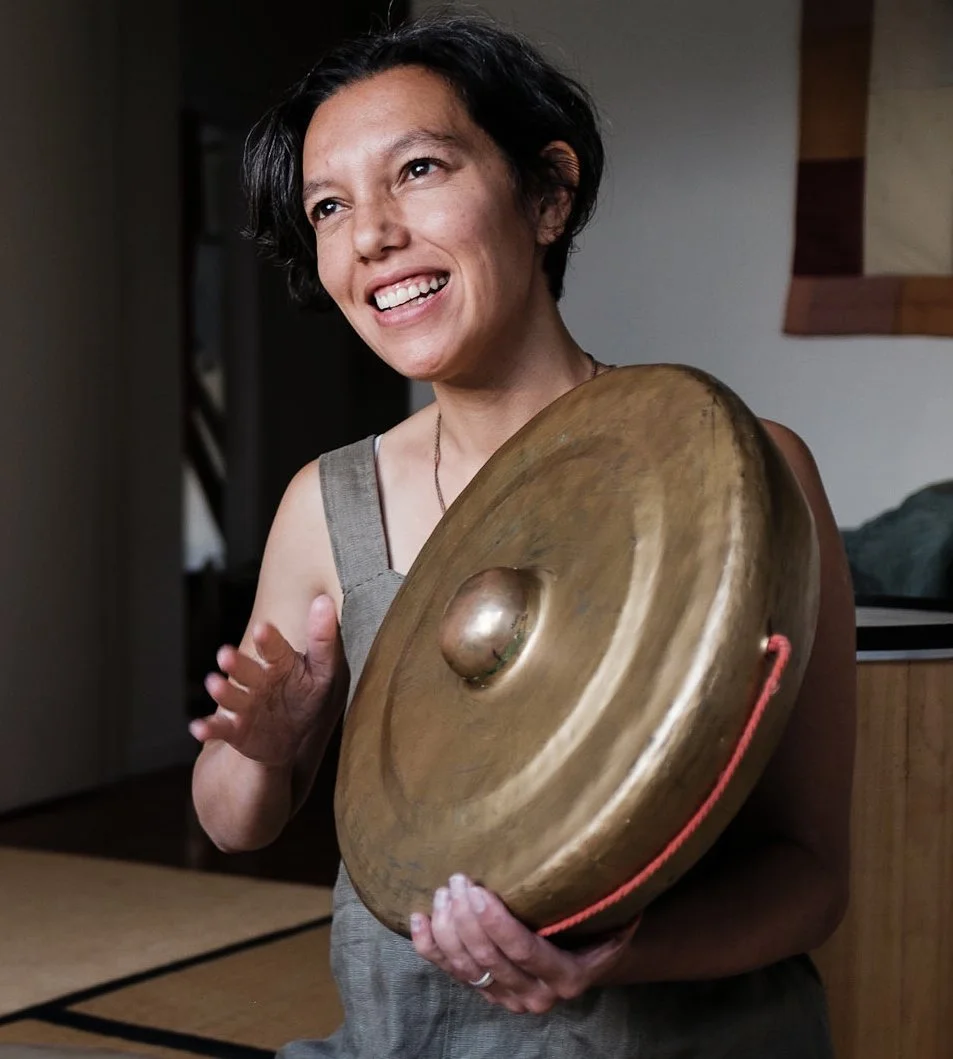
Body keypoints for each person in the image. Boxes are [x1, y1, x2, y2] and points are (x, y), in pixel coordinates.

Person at [189, 12, 856, 1057]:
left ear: (545, 192)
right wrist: (262, 752)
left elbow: (809, 878)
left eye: (416, 169)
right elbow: (232, 819)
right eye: (329, 205)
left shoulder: (741, 471)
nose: (370, 234)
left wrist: (613, 958)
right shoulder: (328, 503)